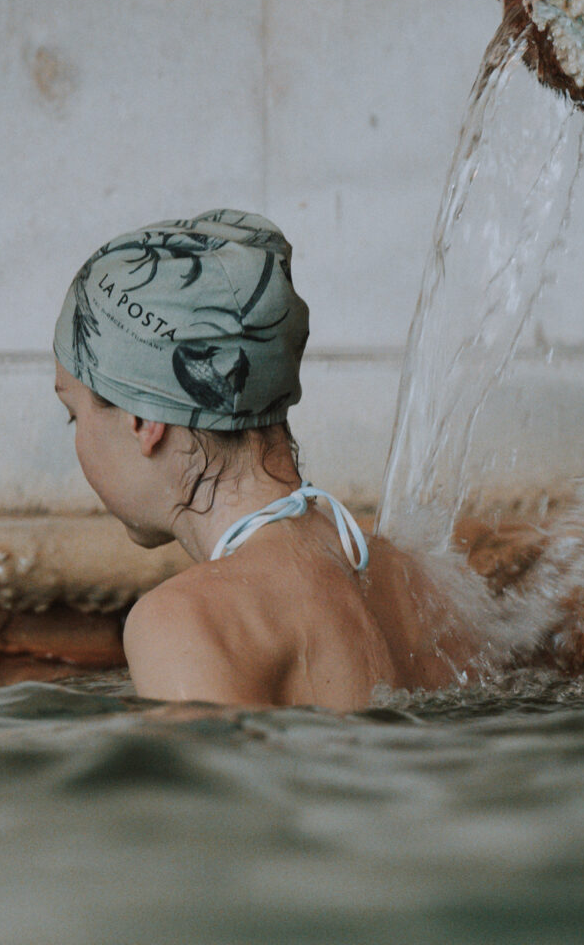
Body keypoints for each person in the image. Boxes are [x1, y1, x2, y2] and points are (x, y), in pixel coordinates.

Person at [52, 209, 467, 710]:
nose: (76, 438)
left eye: (72, 415)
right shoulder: (411, 580)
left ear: (143, 419)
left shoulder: (183, 622)